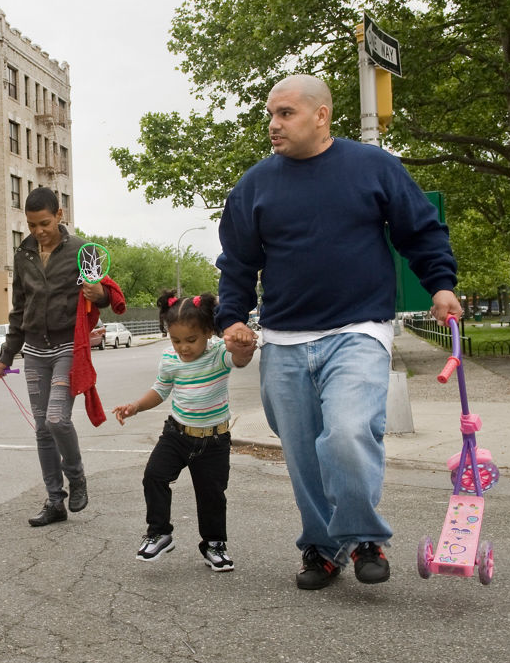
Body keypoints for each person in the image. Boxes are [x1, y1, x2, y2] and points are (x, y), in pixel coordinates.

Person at [216, 74, 462, 590]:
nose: (272, 125)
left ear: (321, 115)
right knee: (304, 455)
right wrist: (233, 319)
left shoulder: (372, 167)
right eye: (270, 114)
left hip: (358, 330)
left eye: (285, 113)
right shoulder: (254, 186)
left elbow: (421, 230)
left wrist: (439, 284)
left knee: (348, 434)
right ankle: (322, 548)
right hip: (283, 340)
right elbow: (237, 264)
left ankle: (364, 537)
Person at [0, 187, 112, 527]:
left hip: (66, 348)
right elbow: (19, 309)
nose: (38, 231)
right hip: (33, 349)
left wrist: (99, 292)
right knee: (42, 429)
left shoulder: (81, 251)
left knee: (57, 419)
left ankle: (76, 477)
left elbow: (103, 296)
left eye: (44, 223)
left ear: (59, 215)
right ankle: (54, 501)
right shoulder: (24, 254)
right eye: (32, 225)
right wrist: (6, 355)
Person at [113, 291, 255, 571]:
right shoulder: (170, 359)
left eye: (191, 340)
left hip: (214, 440)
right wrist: (136, 406)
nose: (183, 348)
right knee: (154, 475)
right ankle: (159, 532)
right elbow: (160, 390)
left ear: (208, 332)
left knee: (211, 494)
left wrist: (242, 346)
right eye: (176, 340)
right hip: (177, 435)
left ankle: (214, 544)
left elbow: (239, 361)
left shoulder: (218, 354)